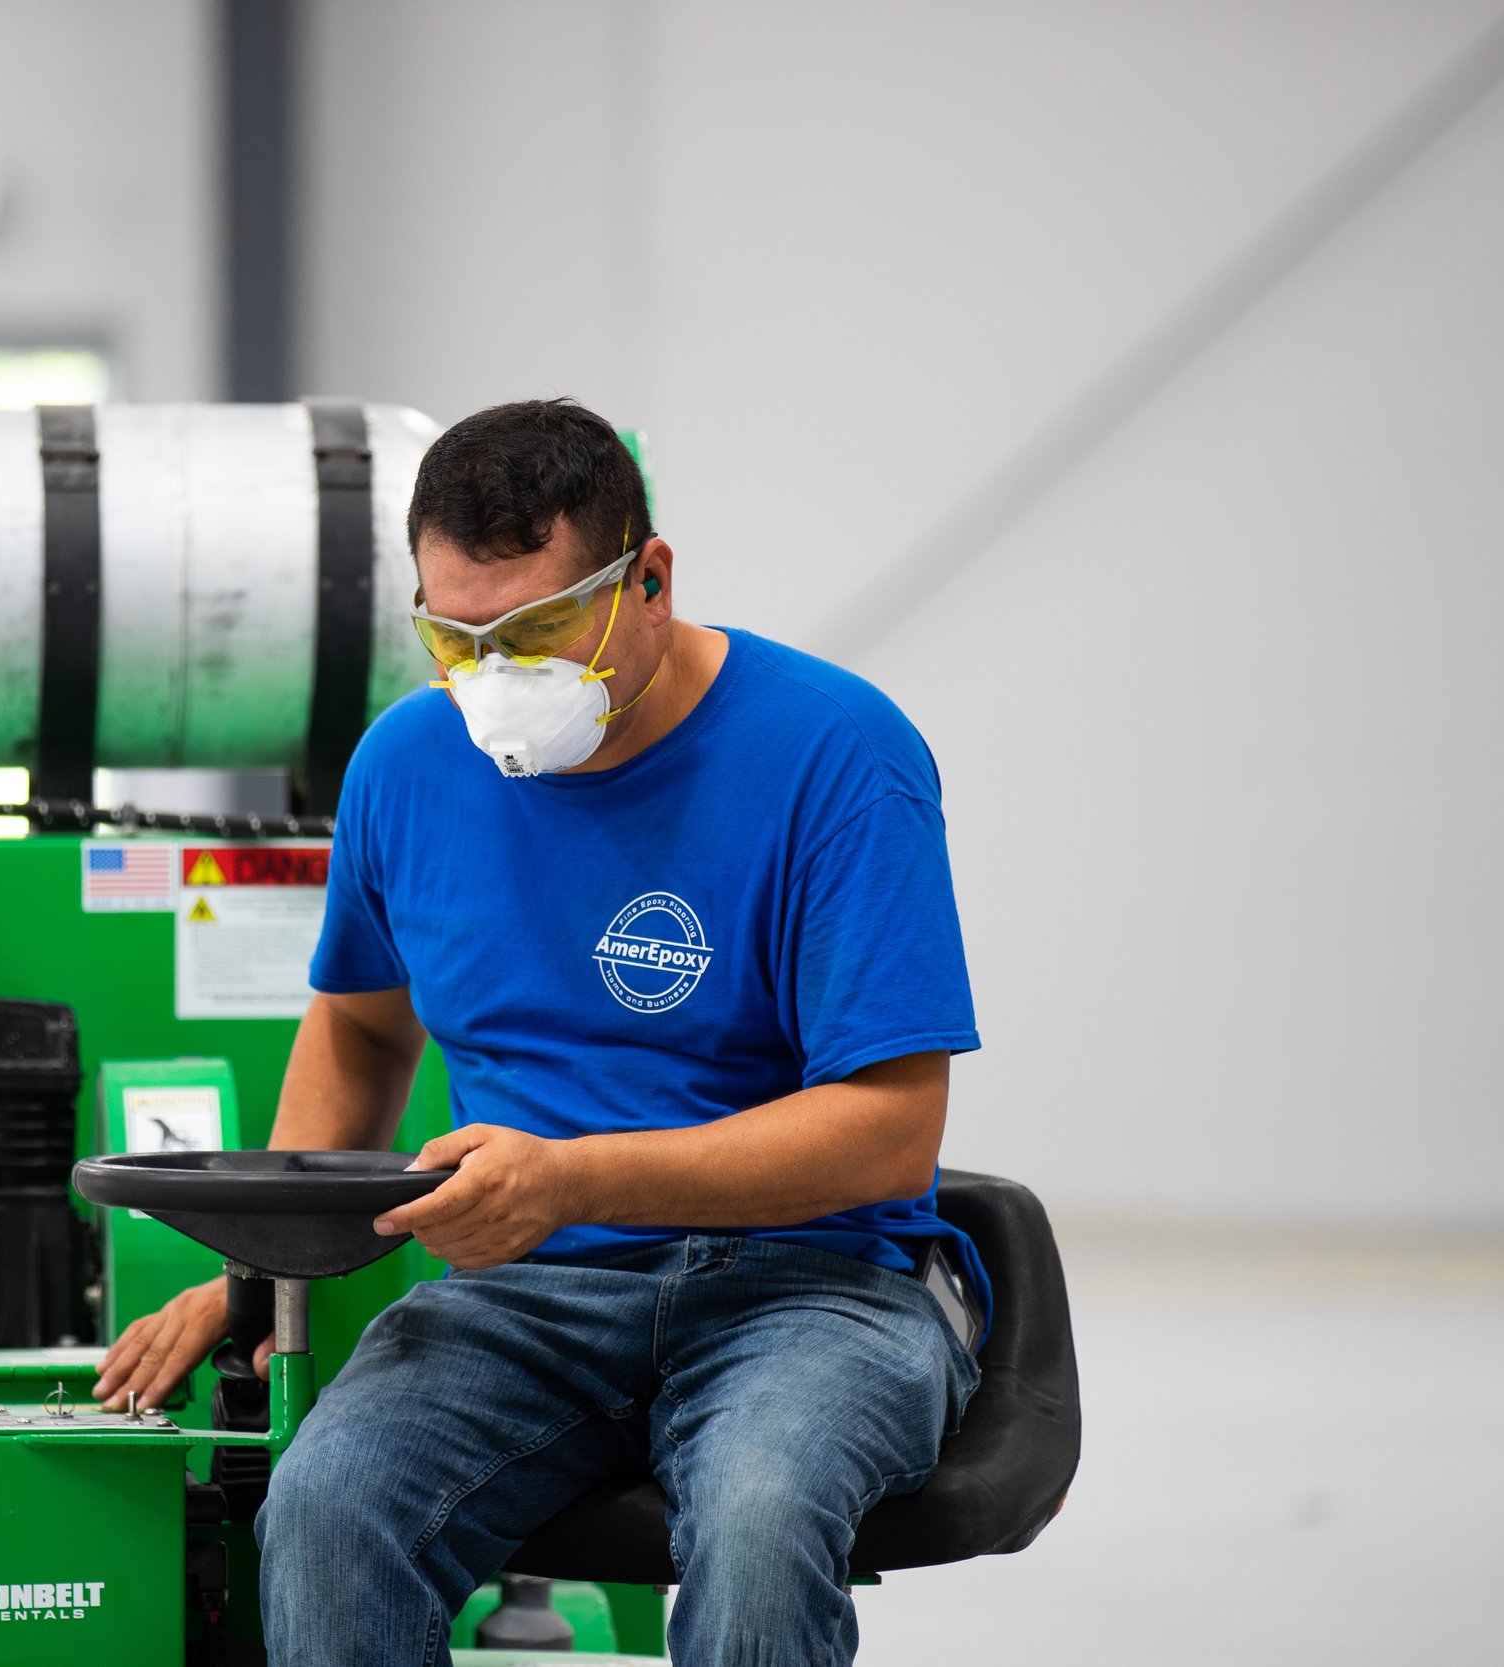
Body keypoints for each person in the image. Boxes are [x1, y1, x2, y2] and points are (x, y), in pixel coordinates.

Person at [95, 397, 986, 1666]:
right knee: (327, 1507)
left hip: (812, 1285)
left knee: (760, 1520)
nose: (495, 677)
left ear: (650, 581)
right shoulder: (407, 765)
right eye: (454, 638)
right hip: (524, 1298)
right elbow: (360, 1031)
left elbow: (887, 1133)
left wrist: (571, 1178)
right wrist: (258, 1273)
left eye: (535, 631)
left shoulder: (834, 754)